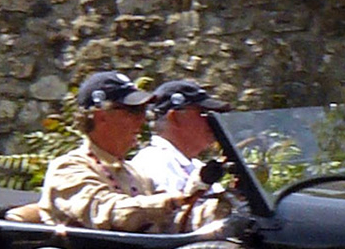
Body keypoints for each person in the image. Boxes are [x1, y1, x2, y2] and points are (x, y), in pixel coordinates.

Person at [11, 71, 203, 231]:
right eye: (134, 111)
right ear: (101, 116)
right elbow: (108, 213)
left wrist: (210, 211)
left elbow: (172, 223)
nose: (143, 120)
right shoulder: (68, 169)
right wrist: (169, 202)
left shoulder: (135, 174)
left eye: (144, 111)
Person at [130, 78, 230, 195]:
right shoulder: (154, 162)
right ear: (174, 117)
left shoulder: (195, 165)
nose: (212, 121)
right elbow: (172, 206)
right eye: (204, 113)